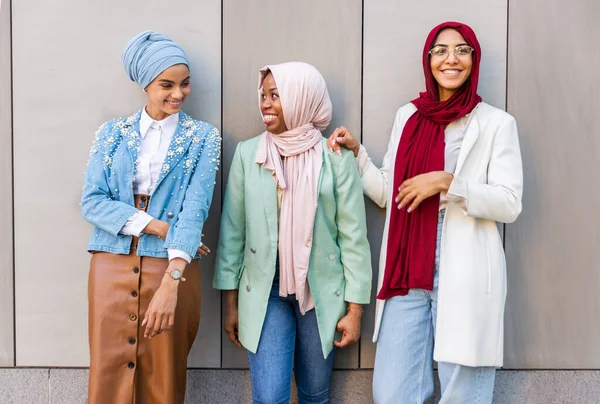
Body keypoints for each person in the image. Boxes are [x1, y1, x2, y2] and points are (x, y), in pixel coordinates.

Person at [328, 22, 523, 403]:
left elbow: (509, 202)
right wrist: (357, 154)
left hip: (464, 269)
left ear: (474, 59)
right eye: (441, 50)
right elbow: (391, 193)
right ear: (428, 59)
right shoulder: (409, 117)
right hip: (408, 268)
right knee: (393, 392)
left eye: (462, 50)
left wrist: (448, 182)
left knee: (462, 392)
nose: (451, 58)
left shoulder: (497, 124)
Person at [214, 61, 372, 404]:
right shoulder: (248, 153)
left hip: (320, 293)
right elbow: (232, 234)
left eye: (276, 95)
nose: (266, 104)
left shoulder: (336, 158)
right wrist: (230, 304)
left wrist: (355, 310)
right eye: (263, 95)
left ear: (302, 98)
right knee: (269, 398)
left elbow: (354, 238)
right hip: (265, 293)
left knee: (315, 395)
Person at [81, 30, 220, 404]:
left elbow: (195, 210)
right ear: (145, 83)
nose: (178, 93)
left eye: (185, 84)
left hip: (171, 264)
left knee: (163, 373)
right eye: (167, 84)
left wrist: (172, 282)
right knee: (107, 373)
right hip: (110, 262)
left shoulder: (204, 137)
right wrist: (155, 225)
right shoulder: (111, 134)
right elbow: (92, 202)